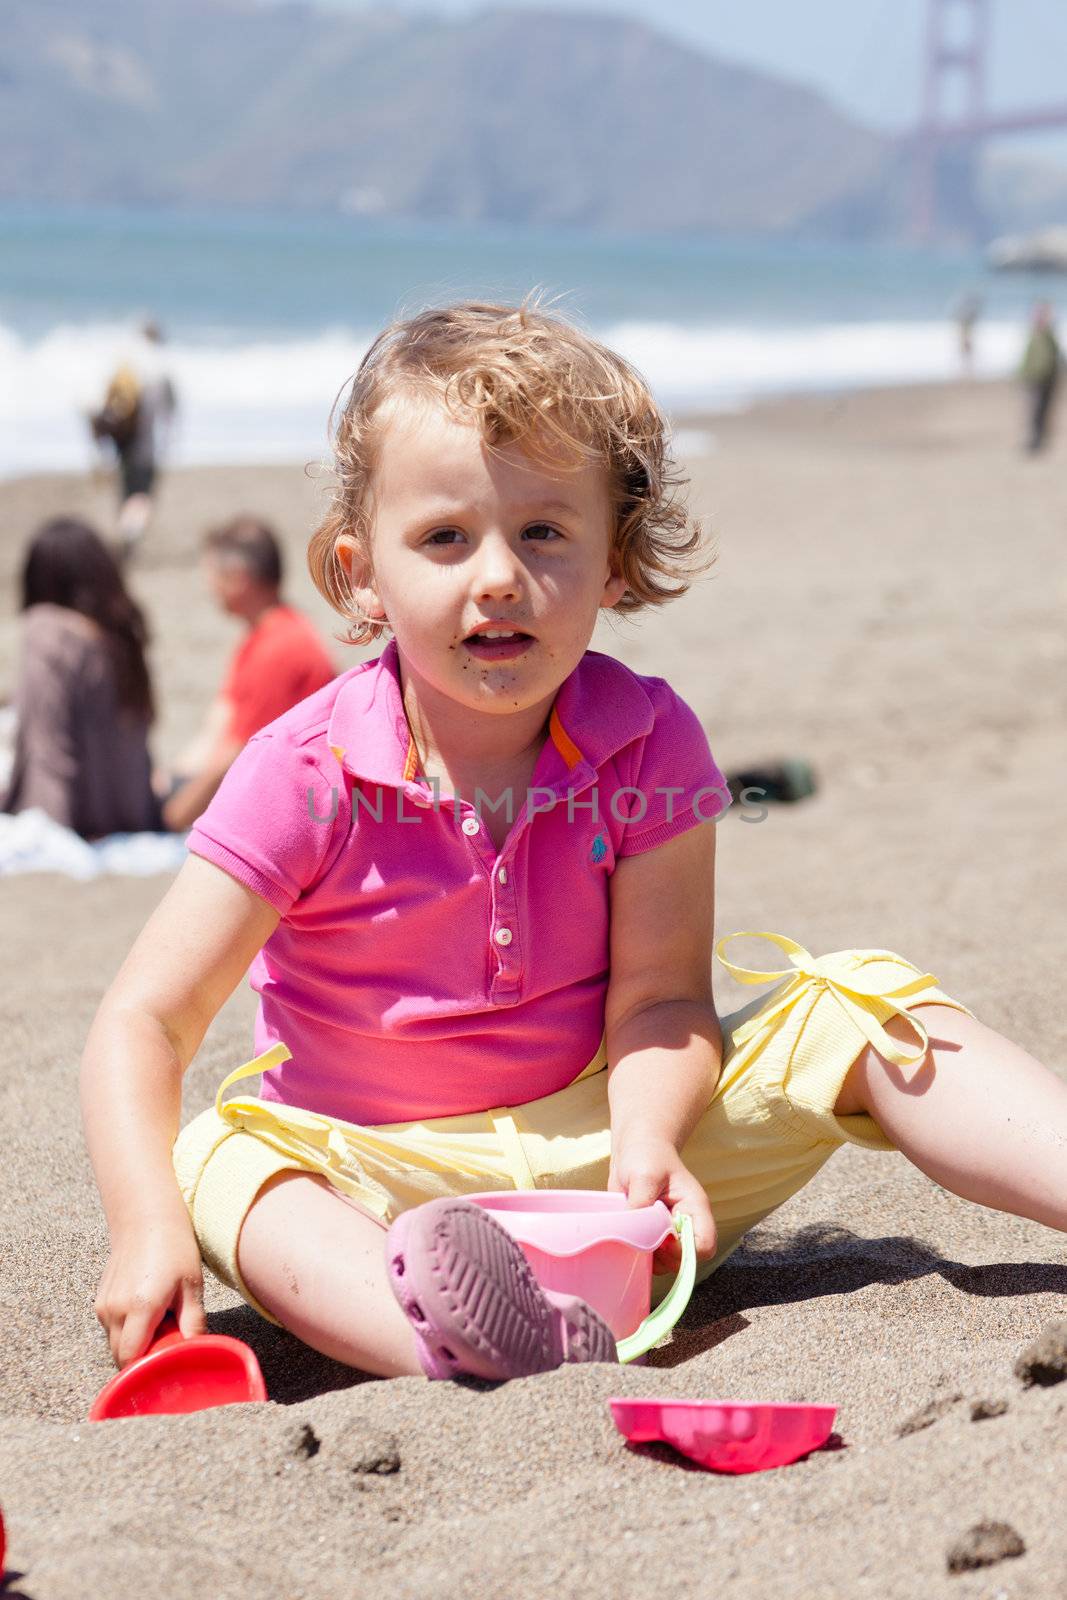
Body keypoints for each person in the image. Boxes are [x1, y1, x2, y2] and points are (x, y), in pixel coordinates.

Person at [81, 303, 1067, 1380]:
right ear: (364, 573)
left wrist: (646, 1144)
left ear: (612, 564)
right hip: (368, 1182)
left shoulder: (645, 741)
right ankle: (459, 1336)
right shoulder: (304, 771)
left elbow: (659, 1001)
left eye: (543, 532)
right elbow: (146, 1020)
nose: (497, 574)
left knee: (859, 1003)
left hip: (607, 1162)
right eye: (445, 537)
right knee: (218, 1155)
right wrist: (145, 1226)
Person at [159, 516, 337, 833]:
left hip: (287, 799)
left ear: (239, 578)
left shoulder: (281, 646)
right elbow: (220, 725)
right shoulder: (264, 635)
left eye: (213, 575)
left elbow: (241, 751)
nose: (209, 587)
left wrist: (175, 815)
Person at [2, 516, 163, 839]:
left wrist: (52, 828)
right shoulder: (121, 636)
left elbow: (49, 743)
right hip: (131, 812)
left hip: (77, 814)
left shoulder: (46, 630)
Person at [90, 320, 177, 560]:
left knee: (127, 493)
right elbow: (169, 415)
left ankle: (124, 533)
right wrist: (169, 447)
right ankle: (128, 535)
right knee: (143, 496)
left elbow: (104, 402)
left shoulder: (127, 365)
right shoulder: (159, 369)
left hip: (123, 442)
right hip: (147, 445)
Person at [1020, 301, 1061, 454]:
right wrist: (1022, 374)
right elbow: (1027, 358)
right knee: (1033, 411)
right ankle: (1033, 441)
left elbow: (1056, 355)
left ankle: (1040, 441)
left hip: (1048, 378)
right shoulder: (1035, 334)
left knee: (1044, 411)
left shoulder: (1049, 334)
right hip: (1033, 379)